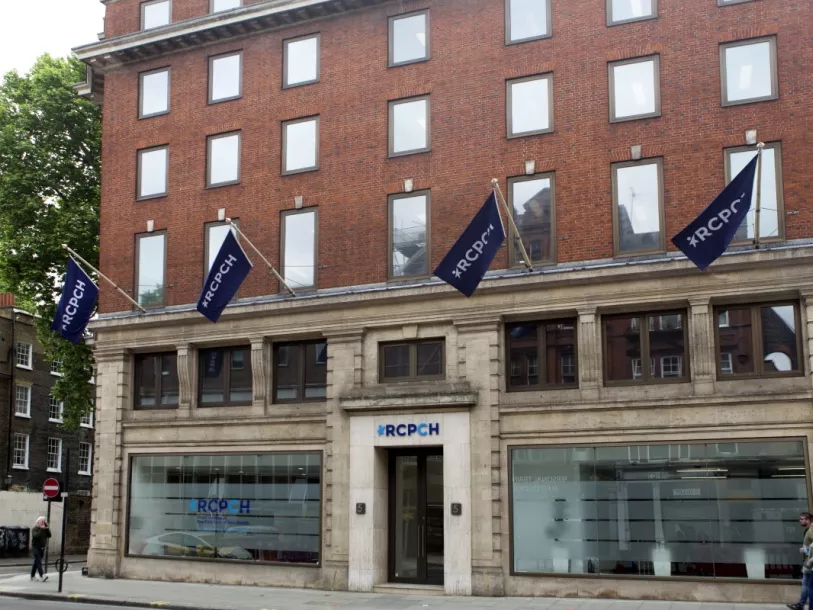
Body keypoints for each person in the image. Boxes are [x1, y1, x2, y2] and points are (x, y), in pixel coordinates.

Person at [789, 512, 813, 610]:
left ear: (808, 520)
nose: (800, 520)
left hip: (810, 563)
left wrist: (805, 550)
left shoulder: (810, 531)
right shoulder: (807, 530)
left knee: (806, 584)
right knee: (807, 583)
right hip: (808, 561)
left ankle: (801, 604)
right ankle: (801, 604)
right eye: (800, 519)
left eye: (802, 519)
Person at [30, 516, 50, 582]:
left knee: (36, 562)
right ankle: (42, 575)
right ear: (38, 522)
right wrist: (41, 529)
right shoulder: (34, 529)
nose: (42, 523)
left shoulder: (44, 530)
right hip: (35, 547)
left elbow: (49, 535)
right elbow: (36, 536)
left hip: (42, 548)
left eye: (43, 521)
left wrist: (47, 528)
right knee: (38, 561)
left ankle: (32, 576)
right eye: (41, 521)